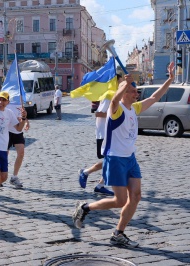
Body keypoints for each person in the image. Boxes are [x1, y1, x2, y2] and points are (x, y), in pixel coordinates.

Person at [72, 62, 175, 248]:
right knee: (119, 201)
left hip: (130, 158)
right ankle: (84, 208)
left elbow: (154, 97)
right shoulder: (117, 110)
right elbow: (113, 102)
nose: (137, 94)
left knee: (135, 196)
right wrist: (122, 86)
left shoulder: (134, 109)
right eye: (133, 91)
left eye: (135, 92)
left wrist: (170, 80)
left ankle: (118, 233)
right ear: (125, 93)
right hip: (115, 158)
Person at [78, 74, 123, 196]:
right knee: (112, 160)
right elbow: (99, 113)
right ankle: (87, 174)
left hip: (111, 134)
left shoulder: (114, 95)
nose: (122, 84)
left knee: (113, 160)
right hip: (104, 133)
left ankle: (99, 184)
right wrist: (113, 115)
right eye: (120, 82)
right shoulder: (109, 95)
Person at [6, 104, 30, 189]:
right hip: (7, 131)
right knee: (4, 155)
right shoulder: (4, 101)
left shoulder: (20, 102)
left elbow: (22, 116)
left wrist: (26, 121)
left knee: (21, 153)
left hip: (18, 132)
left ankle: (14, 177)